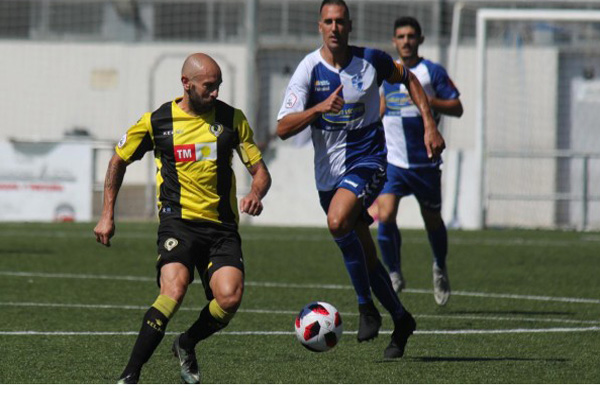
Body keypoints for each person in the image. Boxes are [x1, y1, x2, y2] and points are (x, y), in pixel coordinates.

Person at [276, 0, 445, 359]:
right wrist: (318, 109)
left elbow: (410, 79)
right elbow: (282, 128)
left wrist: (430, 123)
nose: (334, 27)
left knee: (337, 221)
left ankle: (365, 306)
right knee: (365, 257)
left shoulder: (372, 60)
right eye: (328, 21)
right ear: (319, 26)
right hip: (328, 176)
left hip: (369, 161)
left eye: (340, 21)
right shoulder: (308, 70)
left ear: (349, 25)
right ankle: (401, 319)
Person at [93, 53, 271, 384]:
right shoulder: (157, 122)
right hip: (178, 225)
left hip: (221, 229)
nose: (215, 93)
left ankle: (186, 343)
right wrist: (107, 214)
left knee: (229, 298)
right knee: (173, 290)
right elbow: (118, 160)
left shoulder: (232, 120)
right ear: (186, 84)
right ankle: (129, 377)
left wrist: (256, 193)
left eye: (218, 86)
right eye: (208, 86)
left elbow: (260, 172)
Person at [377, 17, 463, 306]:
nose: (406, 41)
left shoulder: (432, 72)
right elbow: (380, 108)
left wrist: (426, 101)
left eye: (411, 36)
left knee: (432, 220)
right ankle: (394, 273)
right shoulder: (386, 71)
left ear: (420, 40)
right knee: (385, 215)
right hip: (394, 162)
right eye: (400, 36)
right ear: (394, 41)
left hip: (425, 163)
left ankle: (439, 266)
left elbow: (457, 106)